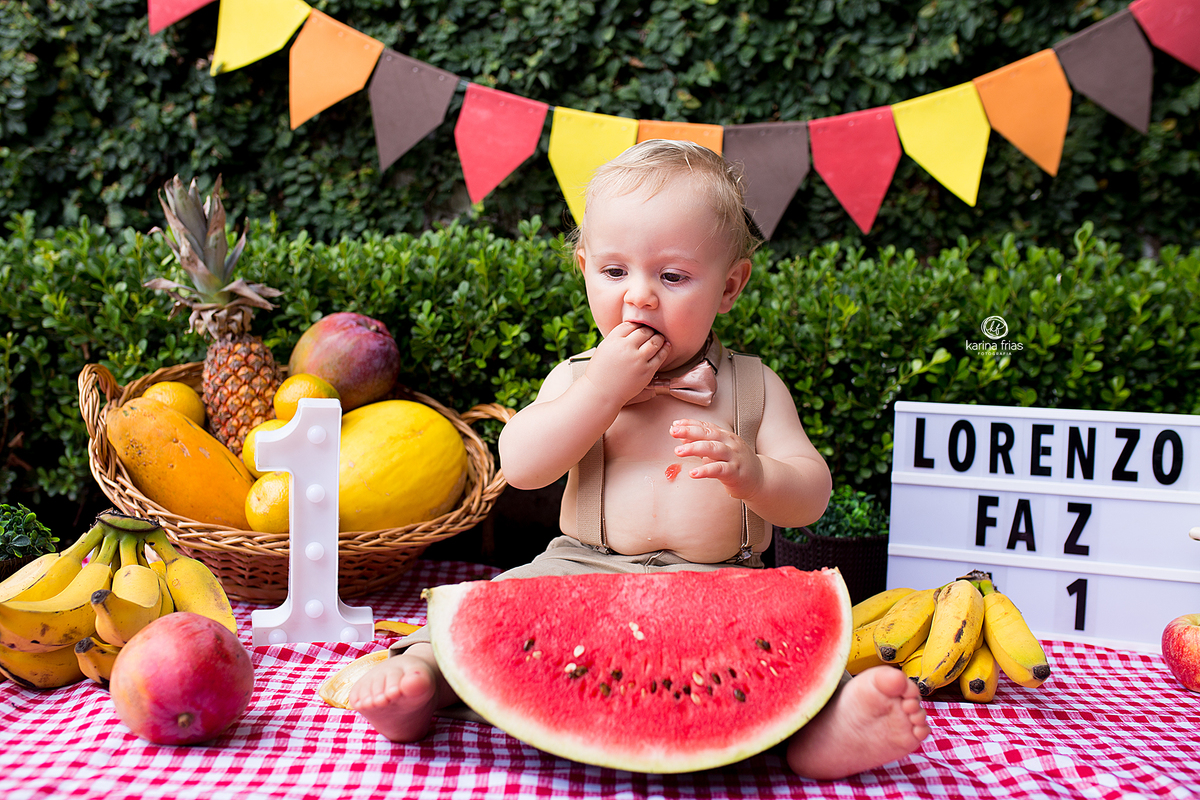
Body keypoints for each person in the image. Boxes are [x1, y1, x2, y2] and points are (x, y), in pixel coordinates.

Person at [350, 139, 929, 779]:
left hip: (720, 579)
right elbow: (522, 465)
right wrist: (600, 392)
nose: (640, 297)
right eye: (614, 272)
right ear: (584, 268)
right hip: (577, 566)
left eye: (672, 277)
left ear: (730, 285)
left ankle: (825, 728)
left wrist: (757, 475)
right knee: (493, 605)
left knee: (781, 652)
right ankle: (421, 680)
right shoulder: (577, 378)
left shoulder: (755, 388)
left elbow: (811, 494)